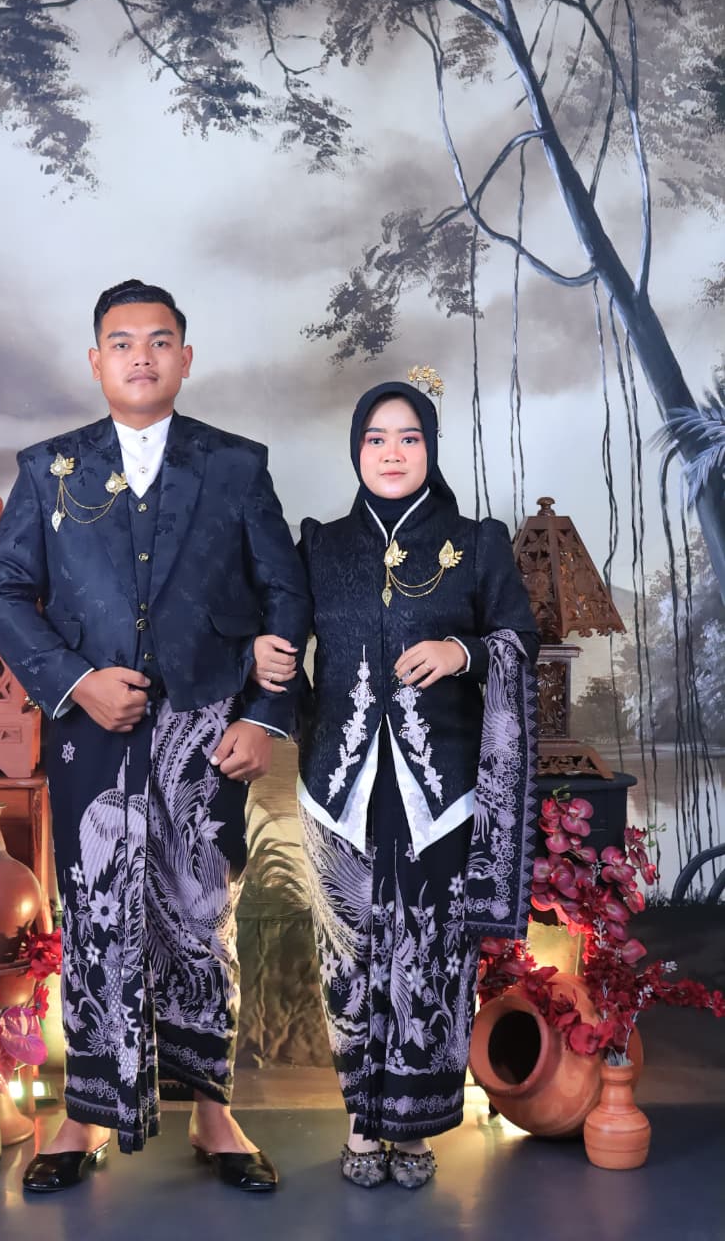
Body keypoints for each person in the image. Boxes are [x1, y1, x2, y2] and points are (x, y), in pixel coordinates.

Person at [0, 279, 310, 1193]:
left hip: (207, 733)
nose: (140, 356)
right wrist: (75, 682)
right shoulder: (48, 468)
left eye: (159, 341)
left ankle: (213, 1111)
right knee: (96, 917)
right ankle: (86, 1113)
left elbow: (285, 595)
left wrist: (263, 715)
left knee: (204, 919)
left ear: (185, 358)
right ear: (96, 362)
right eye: (121, 342)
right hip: (90, 732)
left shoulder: (236, 465)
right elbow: (2, 593)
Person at [252, 381, 539, 1189]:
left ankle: (413, 1131)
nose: (390, 452)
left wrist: (462, 653)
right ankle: (360, 1119)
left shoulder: (475, 543)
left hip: (439, 792)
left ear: (430, 449)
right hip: (337, 790)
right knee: (349, 956)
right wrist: (263, 657)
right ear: (356, 449)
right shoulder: (320, 546)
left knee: (430, 954)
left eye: (408, 437)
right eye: (375, 438)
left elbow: (519, 637)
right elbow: (278, 641)